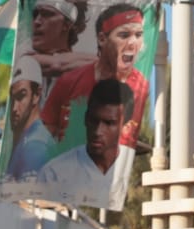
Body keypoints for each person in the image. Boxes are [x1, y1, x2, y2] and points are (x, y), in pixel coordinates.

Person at [42, 4, 149, 151]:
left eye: (138, 35)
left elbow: (126, 141)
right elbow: (44, 136)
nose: (133, 43)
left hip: (112, 171)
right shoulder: (69, 81)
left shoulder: (140, 86)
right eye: (124, 35)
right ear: (102, 39)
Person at [36, 79, 135, 203]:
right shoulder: (54, 174)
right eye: (94, 120)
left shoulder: (134, 171)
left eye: (109, 123)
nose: (98, 131)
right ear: (85, 118)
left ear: (126, 128)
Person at [4, 56, 57, 180]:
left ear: (36, 95)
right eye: (12, 99)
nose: (14, 108)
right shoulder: (27, 140)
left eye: (21, 96)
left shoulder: (35, 146)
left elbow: (30, 198)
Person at [29, 0, 92, 79]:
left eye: (46, 14)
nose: (36, 22)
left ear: (67, 24)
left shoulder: (87, 75)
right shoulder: (19, 54)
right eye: (35, 15)